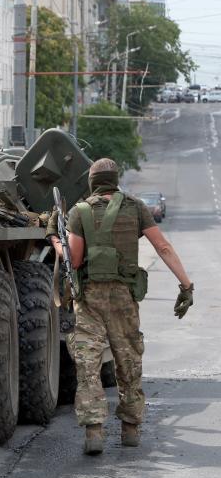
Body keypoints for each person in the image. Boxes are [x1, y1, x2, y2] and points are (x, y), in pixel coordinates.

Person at [47, 158, 194, 455]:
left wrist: (54, 238)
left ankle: (94, 431)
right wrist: (186, 285)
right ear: (115, 180)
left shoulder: (79, 211)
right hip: (124, 299)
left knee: (88, 364)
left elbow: (74, 260)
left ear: (92, 182)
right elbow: (163, 247)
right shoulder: (136, 207)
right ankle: (130, 429)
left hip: (89, 300)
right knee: (128, 361)